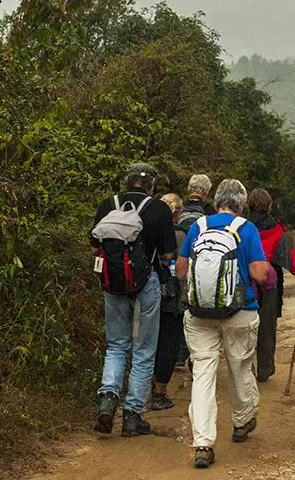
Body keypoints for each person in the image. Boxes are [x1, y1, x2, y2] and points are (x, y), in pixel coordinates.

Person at [175, 179, 275, 469]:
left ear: (217, 200)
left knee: (203, 375)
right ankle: (242, 421)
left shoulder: (199, 226)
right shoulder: (246, 228)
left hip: (199, 314)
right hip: (239, 312)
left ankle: (203, 443)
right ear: (241, 204)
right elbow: (258, 273)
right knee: (239, 366)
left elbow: (181, 271)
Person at [89, 163, 178, 437]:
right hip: (145, 285)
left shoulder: (108, 205)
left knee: (116, 346)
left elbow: (94, 247)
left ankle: (107, 403)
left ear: (128, 182)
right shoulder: (159, 209)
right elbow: (167, 256)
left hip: (113, 285)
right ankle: (132, 417)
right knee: (143, 350)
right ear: (151, 184)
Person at [247, 188, 295, 383]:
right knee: (267, 326)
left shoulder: (244, 226)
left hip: (247, 280)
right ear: (269, 206)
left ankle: (246, 367)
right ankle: (265, 368)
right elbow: (285, 257)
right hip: (270, 284)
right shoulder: (276, 229)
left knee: (245, 324)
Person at [150, 193, 187, 410]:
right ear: (177, 213)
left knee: (149, 344)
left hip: (149, 295)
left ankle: (145, 386)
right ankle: (159, 391)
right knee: (169, 344)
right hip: (173, 299)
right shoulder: (181, 236)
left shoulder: (148, 231)